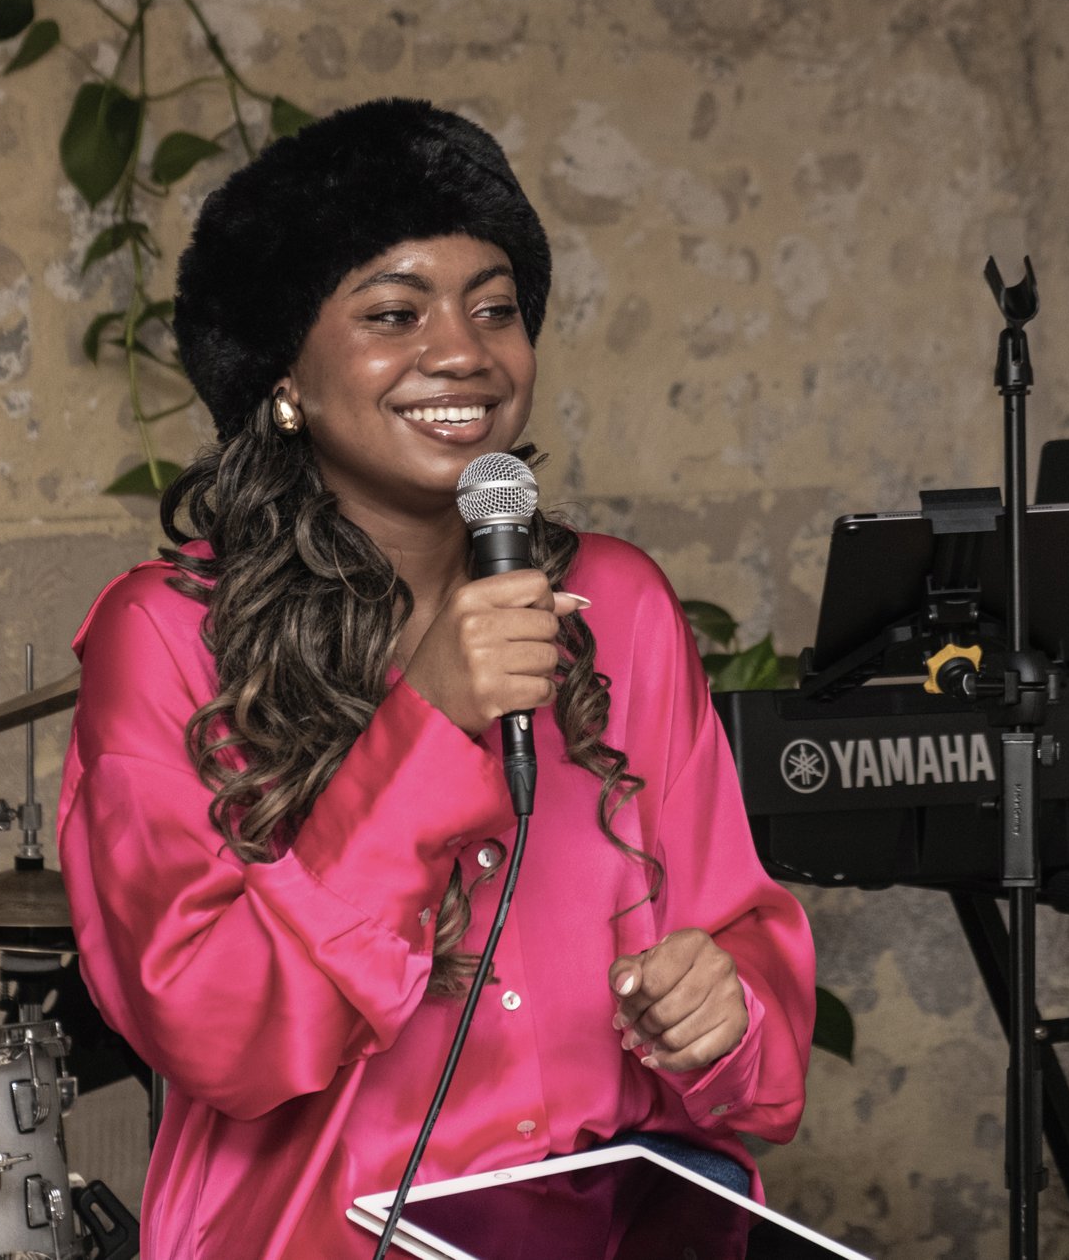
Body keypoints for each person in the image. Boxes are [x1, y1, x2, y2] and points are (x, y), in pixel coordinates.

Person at [57, 100, 816, 1259]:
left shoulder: (618, 606)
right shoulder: (165, 636)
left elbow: (745, 970)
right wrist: (427, 720)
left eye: (495, 307)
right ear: (285, 376)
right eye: (394, 311)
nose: (464, 350)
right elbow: (215, 1032)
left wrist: (726, 1009)